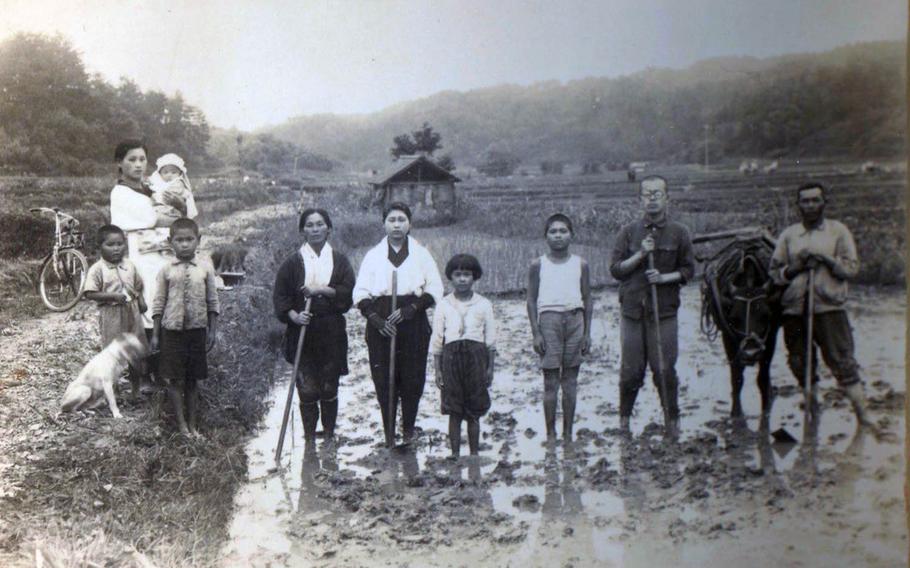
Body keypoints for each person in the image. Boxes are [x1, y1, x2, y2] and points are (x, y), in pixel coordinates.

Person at [769, 182, 871, 426]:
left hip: (829, 309)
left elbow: (851, 269)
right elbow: (774, 274)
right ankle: (812, 414)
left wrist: (826, 260)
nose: (810, 205)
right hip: (794, 310)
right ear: (798, 205)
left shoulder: (838, 232)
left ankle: (864, 417)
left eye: (815, 200)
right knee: (800, 363)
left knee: (843, 361)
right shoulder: (789, 235)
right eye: (805, 201)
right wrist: (797, 266)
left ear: (824, 203)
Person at [610, 175, 695, 436]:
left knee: (664, 368)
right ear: (640, 199)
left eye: (657, 194)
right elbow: (616, 270)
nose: (652, 199)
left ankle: (673, 421)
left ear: (667, 198)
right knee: (631, 370)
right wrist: (640, 255)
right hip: (633, 312)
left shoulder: (680, 232)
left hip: (664, 312)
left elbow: (689, 270)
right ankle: (624, 421)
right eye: (647, 194)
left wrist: (664, 278)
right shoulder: (628, 232)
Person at [353, 202, 444, 445]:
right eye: (391, 220)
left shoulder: (422, 254)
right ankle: (389, 432)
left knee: (412, 379)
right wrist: (375, 319)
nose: (396, 225)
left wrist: (412, 308)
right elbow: (360, 293)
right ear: (384, 224)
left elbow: (435, 289)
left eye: (401, 220)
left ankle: (408, 430)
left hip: (412, 321)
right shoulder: (373, 256)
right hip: (382, 322)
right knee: (384, 379)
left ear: (410, 224)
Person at [272, 208, 355, 446]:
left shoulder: (340, 260)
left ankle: (329, 435)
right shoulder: (292, 263)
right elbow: (280, 297)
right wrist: (293, 316)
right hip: (302, 333)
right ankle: (309, 439)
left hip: (331, 332)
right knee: (307, 389)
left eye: (320, 224)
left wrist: (321, 290)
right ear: (302, 231)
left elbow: (347, 294)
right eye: (309, 225)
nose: (315, 229)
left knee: (329, 386)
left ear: (328, 228)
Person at [526, 213, 592, 442]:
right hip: (549, 322)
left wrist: (587, 333)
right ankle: (551, 433)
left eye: (563, 231)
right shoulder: (538, 265)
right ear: (546, 237)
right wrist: (536, 332)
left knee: (571, 381)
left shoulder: (580, 264)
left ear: (571, 235)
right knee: (551, 381)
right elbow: (531, 300)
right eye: (553, 231)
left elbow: (587, 298)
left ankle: (568, 433)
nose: (558, 236)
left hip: (575, 320)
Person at [150, 218, 220, 437]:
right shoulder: (166, 270)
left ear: (198, 240)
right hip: (171, 331)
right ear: (171, 242)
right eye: (179, 240)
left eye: (189, 239)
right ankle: (181, 426)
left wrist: (212, 330)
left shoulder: (205, 269)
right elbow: (159, 302)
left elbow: (213, 301)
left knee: (192, 379)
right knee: (174, 378)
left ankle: (192, 425)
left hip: (197, 331)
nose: (185, 245)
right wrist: (155, 334)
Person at [109, 140, 186, 331]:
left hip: (160, 252)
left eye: (142, 159)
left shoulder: (149, 190)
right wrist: (176, 211)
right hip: (138, 254)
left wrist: (180, 207)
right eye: (132, 159)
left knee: (166, 301)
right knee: (147, 304)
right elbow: (154, 219)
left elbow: (175, 216)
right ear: (120, 163)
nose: (138, 164)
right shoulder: (121, 193)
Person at [431, 254, 497, 457]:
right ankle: (455, 454)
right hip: (451, 358)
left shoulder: (484, 304)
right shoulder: (443, 304)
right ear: (450, 277)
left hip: (476, 358)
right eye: (457, 274)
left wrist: (490, 368)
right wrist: (438, 370)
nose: (462, 279)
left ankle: (474, 453)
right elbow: (437, 340)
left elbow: (490, 339)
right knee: (454, 408)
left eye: (466, 275)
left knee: (474, 409)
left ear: (474, 277)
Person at [82, 224, 148, 400]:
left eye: (120, 244)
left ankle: (135, 389)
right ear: (99, 247)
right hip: (111, 314)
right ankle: (114, 391)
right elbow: (90, 293)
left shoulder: (130, 266)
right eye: (110, 245)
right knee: (113, 353)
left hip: (132, 313)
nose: (116, 249)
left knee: (135, 350)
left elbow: (139, 286)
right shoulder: (98, 269)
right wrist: (112, 296)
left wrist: (141, 302)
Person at [148, 153, 199, 228]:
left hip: (173, 209)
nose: (169, 175)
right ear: (159, 174)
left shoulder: (178, 183)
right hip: (160, 208)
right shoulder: (157, 183)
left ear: (180, 173)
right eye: (165, 172)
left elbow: (174, 194)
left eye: (173, 172)